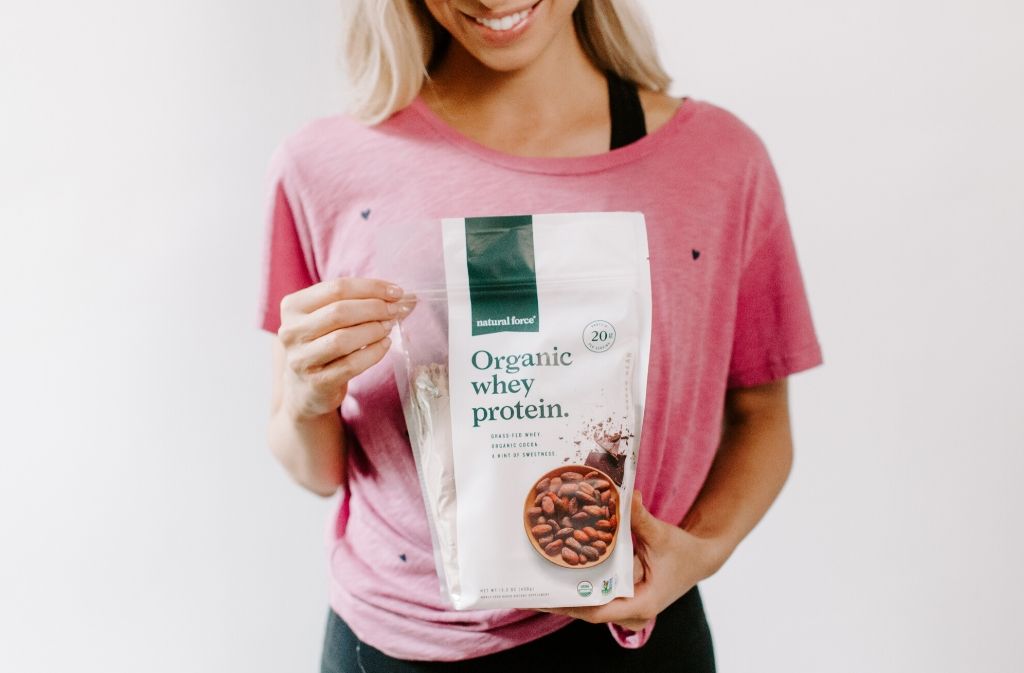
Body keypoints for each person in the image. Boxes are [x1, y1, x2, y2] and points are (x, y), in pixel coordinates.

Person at [257, 1, 824, 670]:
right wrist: (303, 395)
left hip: (636, 634)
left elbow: (761, 415)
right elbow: (319, 469)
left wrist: (698, 552)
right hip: (394, 641)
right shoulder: (324, 166)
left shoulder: (720, 162)